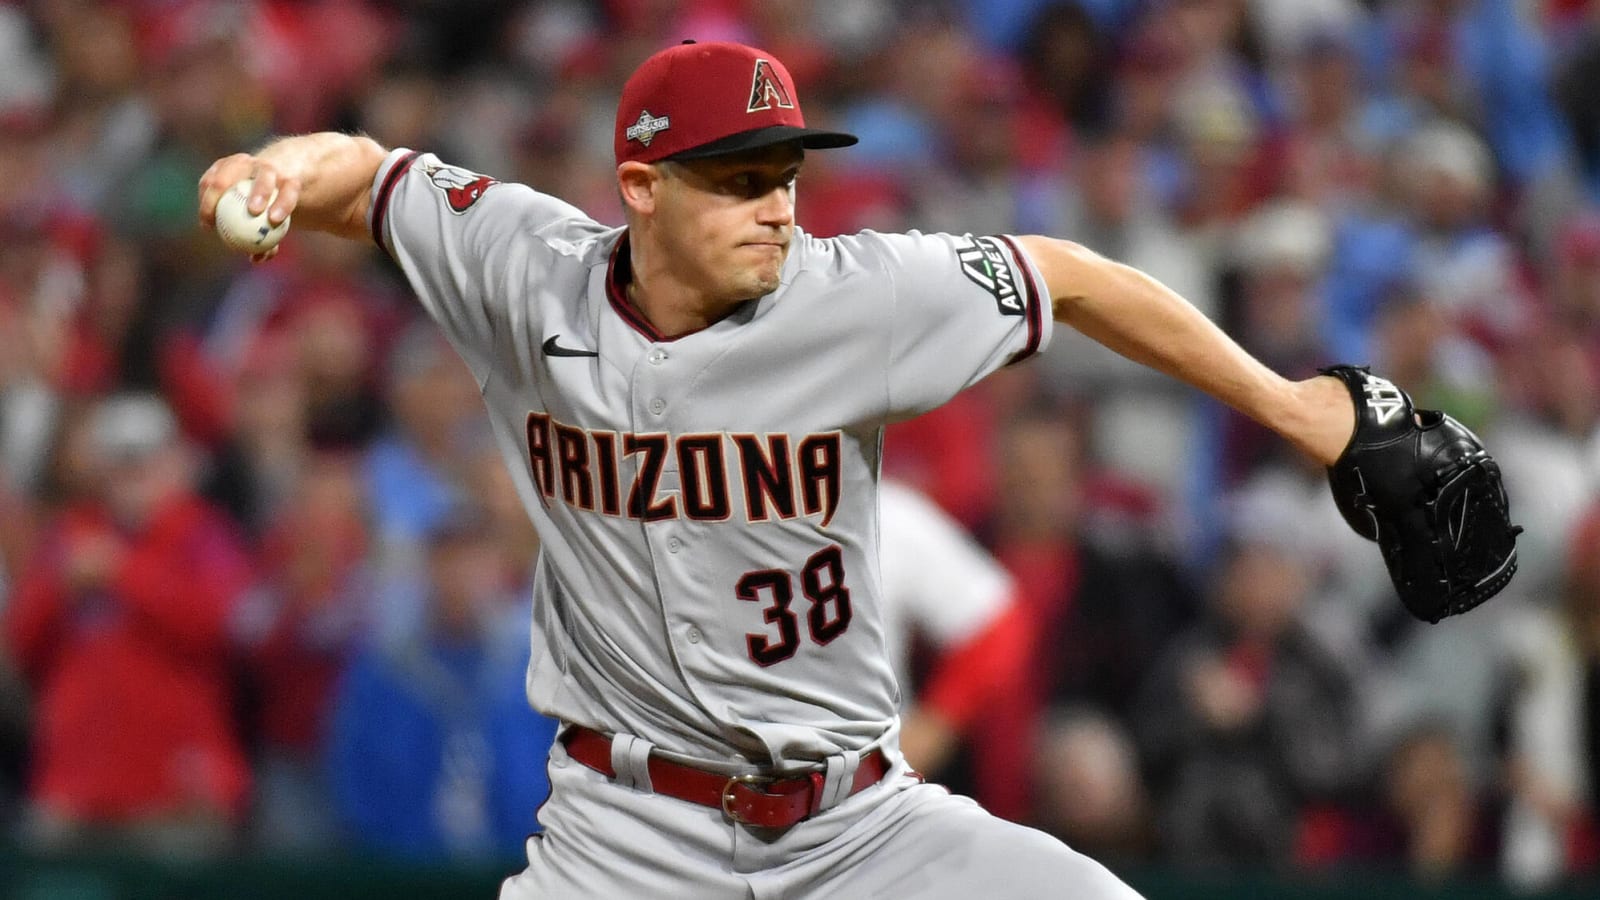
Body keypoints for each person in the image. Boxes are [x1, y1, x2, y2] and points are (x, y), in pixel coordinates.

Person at [198, 39, 1355, 899]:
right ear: (642, 189)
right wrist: (276, 168)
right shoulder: (524, 268)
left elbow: (1076, 278)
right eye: (740, 179)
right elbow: (366, 176)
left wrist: (1288, 404)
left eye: (786, 174)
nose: (778, 209)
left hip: (858, 829)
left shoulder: (856, 295)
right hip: (624, 840)